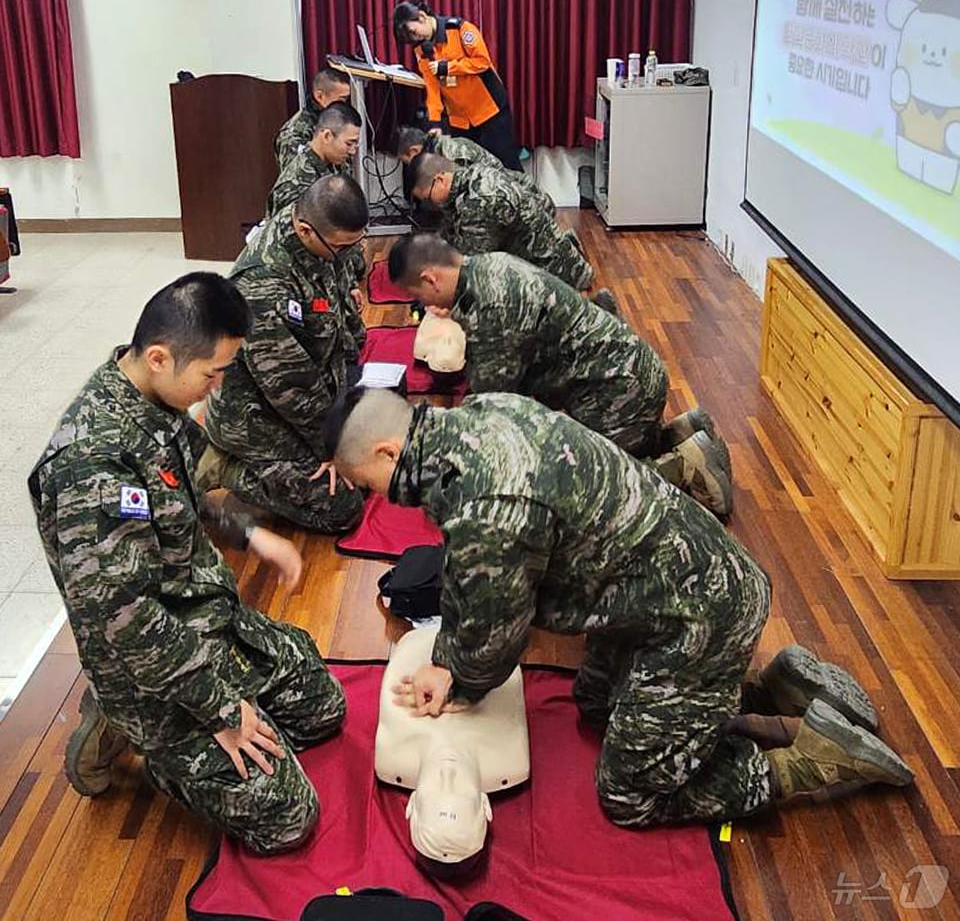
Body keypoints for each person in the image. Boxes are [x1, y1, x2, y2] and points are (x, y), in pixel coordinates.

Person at [326, 388, 913, 829]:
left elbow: (496, 633)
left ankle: (815, 760)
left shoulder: (485, 499)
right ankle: (768, 690)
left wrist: (454, 678)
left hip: (699, 616)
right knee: (596, 706)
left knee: (630, 794)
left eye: (370, 483)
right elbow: (471, 565)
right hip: (666, 589)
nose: (379, 497)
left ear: (389, 450)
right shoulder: (478, 415)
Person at [28, 274, 347, 854]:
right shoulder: (91, 465)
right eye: (213, 373)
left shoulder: (158, 400)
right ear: (158, 357)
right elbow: (129, 625)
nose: (219, 386)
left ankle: (168, 721)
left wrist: (254, 537)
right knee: (286, 815)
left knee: (323, 706)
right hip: (146, 662)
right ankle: (126, 727)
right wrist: (223, 711)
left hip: (201, 616)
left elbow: (189, 496)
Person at [388, 235, 732, 519]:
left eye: (420, 298)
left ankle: (687, 466)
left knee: (594, 490)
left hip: (619, 390)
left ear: (430, 279)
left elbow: (490, 405)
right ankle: (681, 432)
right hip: (626, 375)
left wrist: (445, 464)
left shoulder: (490, 304)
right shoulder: (488, 264)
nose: (426, 307)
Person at [202, 175, 368, 533]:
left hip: (313, 399)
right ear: (306, 230)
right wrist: (330, 448)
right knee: (343, 507)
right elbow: (290, 386)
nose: (348, 254)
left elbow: (337, 302)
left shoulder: (322, 240)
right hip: (258, 416)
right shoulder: (263, 283)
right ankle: (222, 465)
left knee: (372, 469)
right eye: (343, 247)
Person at [376, 628, 529, 870]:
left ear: (411, 805)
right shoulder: (512, 763)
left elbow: (405, 658)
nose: (448, 774)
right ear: (485, 806)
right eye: (461, 793)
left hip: (419, 639)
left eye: (436, 791)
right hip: (492, 639)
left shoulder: (392, 756)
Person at [408, 151, 593, 291]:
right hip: (552, 252)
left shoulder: (477, 202)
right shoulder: (475, 173)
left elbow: (474, 266)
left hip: (561, 278)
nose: (429, 203)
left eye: (427, 197)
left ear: (440, 180)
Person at [266, 102, 366, 355]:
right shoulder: (295, 185)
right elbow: (298, 257)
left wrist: (349, 284)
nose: (353, 151)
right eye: (349, 143)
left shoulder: (335, 166)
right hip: (311, 290)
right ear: (326, 136)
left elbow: (338, 243)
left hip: (334, 281)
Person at [393, 0, 523, 171]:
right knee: (469, 170)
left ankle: (525, 197)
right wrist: (435, 123)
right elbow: (432, 88)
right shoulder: (421, 50)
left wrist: (448, 67)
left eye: (414, 33)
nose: (416, 39)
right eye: (411, 39)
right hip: (460, 119)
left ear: (422, 17)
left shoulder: (460, 29)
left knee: (506, 165)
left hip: (489, 111)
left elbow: (482, 62)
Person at [396, 125, 550, 207]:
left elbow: (473, 201)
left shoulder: (450, 154)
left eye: (406, 161)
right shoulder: (438, 147)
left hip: (526, 204)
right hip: (510, 199)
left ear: (414, 151)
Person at [274, 65, 352, 170]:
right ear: (320, 96)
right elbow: (297, 179)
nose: (344, 106)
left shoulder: (336, 121)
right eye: (342, 99)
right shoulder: (295, 133)